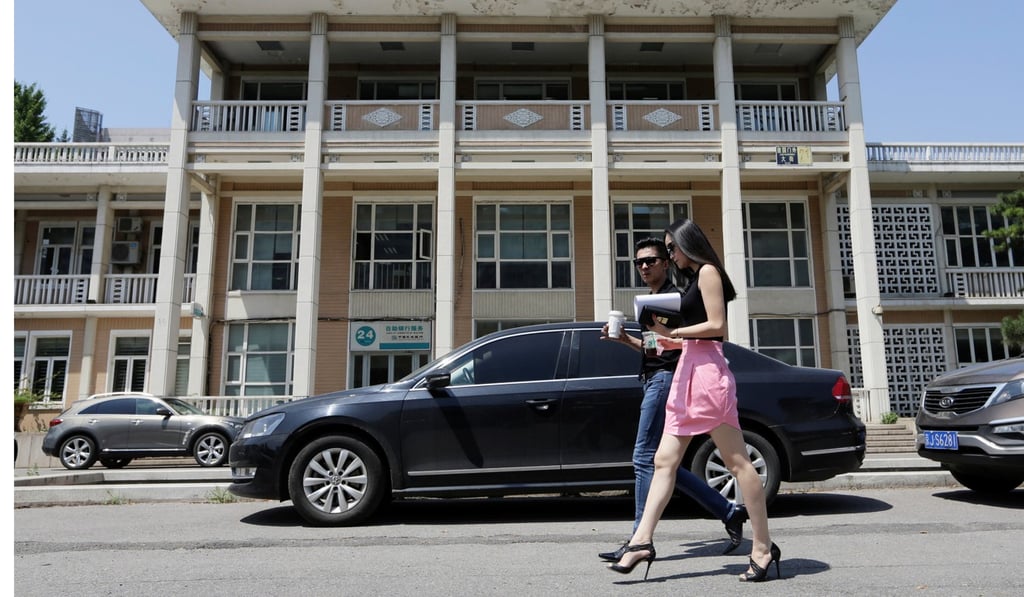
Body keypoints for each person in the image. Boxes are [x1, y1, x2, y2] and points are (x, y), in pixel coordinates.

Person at [607, 220, 781, 582]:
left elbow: (718, 326)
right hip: (688, 370)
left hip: (707, 374)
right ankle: (641, 541)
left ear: (688, 243)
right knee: (663, 459)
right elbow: (685, 340)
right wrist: (655, 338)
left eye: (671, 248)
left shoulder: (708, 273)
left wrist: (674, 332)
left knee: (738, 463)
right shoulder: (692, 281)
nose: (670, 255)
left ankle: (762, 546)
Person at [598, 237, 747, 563]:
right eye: (639, 263)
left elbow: (689, 342)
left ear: (666, 262)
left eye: (651, 260)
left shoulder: (676, 299)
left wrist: (671, 337)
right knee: (662, 464)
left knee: (643, 458)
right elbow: (657, 347)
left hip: (668, 380)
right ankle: (728, 511)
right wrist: (625, 340)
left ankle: (638, 540)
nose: (644, 267)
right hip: (654, 377)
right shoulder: (650, 302)